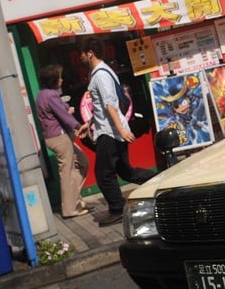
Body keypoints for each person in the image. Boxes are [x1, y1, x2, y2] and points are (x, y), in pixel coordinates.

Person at [80, 38, 155, 226]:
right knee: (125, 172)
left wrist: (120, 129)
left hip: (110, 132)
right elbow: (102, 106)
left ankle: (117, 208)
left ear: (90, 53)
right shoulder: (101, 72)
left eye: (82, 53)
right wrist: (89, 123)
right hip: (112, 129)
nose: (80, 57)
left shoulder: (100, 75)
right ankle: (158, 181)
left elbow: (110, 104)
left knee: (103, 174)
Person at [35, 64, 89, 219]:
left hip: (54, 138)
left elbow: (57, 110)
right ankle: (70, 209)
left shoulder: (42, 95)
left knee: (83, 163)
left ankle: (75, 200)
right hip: (59, 137)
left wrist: (67, 110)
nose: (62, 79)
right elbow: (63, 115)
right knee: (66, 173)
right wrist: (79, 126)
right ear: (53, 80)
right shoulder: (50, 95)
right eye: (59, 77)